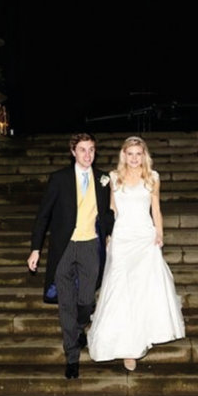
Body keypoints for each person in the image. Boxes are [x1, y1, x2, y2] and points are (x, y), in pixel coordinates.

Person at [87, 136, 185, 371]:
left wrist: (159, 233)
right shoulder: (113, 177)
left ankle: (135, 342)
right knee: (120, 287)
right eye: (130, 154)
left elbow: (156, 209)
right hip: (121, 237)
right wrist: (108, 234)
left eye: (138, 154)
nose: (134, 158)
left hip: (144, 237)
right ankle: (119, 341)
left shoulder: (152, 177)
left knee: (142, 288)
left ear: (144, 155)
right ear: (124, 155)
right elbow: (111, 208)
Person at [28, 133, 115, 379]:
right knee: (66, 303)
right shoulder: (59, 179)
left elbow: (107, 213)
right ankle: (72, 357)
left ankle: (79, 327)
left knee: (86, 300)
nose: (88, 155)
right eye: (83, 150)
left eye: (91, 150)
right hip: (63, 248)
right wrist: (36, 249)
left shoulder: (103, 179)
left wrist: (111, 231)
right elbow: (43, 216)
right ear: (73, 152)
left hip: (90, 246)